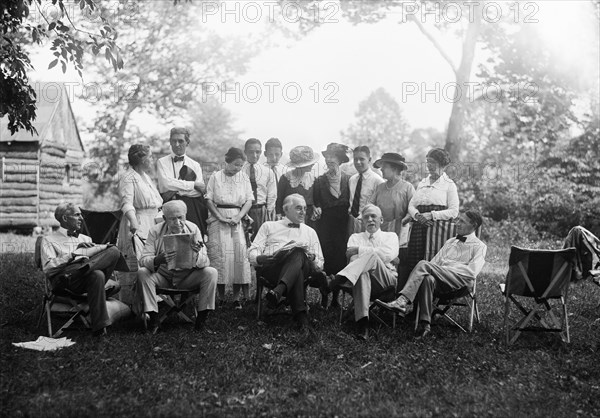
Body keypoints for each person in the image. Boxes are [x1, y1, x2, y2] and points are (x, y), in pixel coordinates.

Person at [376, 210, 486, 338]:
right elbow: (434, 263)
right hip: (440, 279)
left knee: (424, 264)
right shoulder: (450, 242)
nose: (457, 223)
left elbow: (472, 272)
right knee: (428, 278)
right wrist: (438, 271)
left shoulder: (480, 246)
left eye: (462, 221)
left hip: (461, 281)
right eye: (458, 220)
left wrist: (446, 269)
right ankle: (425, 324)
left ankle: (402, 301)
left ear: (473, 225)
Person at [40, 203, 123, 337]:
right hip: (64, 281)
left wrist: (97, 249)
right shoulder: (48, 240)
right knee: (97, 274)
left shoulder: (85, 239)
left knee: (112, 253)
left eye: (81, 215)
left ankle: (99, 329)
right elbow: (48, 269)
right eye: (77, 215)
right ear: (65, 218)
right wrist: (73, 254)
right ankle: (100, 327)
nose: (82, 219)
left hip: (83, 279)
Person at [137, 200, 218, 333]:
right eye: (172, 219)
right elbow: (143, 260)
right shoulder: (155, 231)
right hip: (163, 276)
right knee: (142, 273)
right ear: (164, 218)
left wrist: (196, 255)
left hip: (187, 278)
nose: (178, 222)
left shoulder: (193, 229)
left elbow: (206, 262)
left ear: (186, 215)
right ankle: (153, 319)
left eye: (180, 218)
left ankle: (201, 320)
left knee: (211, 272)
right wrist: (158, 259)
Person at [322, 204, 399, 340]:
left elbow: (388, 255)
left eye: (373, 216)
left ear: (381, 220)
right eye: (366, 217)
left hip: (386, 280)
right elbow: (353, 261)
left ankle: (337, 280)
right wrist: (369, 252)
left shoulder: (391, 236)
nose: (370, 220)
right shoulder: (354, 237)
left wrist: (359, 250)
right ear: (362, 221)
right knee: (363, 273)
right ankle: (363, 325)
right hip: (359, 279)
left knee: (371, 257)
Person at [248, 194, 324, 330]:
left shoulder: (310, 232)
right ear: (286, 210)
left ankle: (278, 291)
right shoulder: (269, 226)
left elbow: (320, 264)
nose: (303, 212)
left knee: (298, 252)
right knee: (297, 271)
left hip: (303, 267)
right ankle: (301, 317)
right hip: (273, 269)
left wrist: (312, 258)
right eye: (299, 208)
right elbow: (253, 251)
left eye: (305, 208)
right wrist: (260, 258)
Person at [205, 147, 253, 308]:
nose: (237, 169)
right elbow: (209, 199)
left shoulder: (243, 177)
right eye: (235, 165)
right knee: (220, 256)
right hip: (218, 218)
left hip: (236, 218)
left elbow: (249, 200)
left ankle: (236, 297)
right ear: (227, 161)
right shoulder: (216, 177)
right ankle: (220, 296)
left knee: (238, 257)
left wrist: (238, 217)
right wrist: (219, 217)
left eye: (240, 165)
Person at [403, 148, 459, 281]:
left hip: (437, 230)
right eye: (428, 162)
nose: (429, 165)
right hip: (419, 227)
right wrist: (417, 216)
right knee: (415, 261)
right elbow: (411, 205)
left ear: (443, 164)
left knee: (432, 262)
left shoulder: (449, 185)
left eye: (433, 162)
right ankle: (413, 297)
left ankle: (431, 295)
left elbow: (454, 211)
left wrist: (432, 215)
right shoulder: (423, 183)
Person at [117, 144, 163, 303]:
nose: (152, 160)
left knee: (154, 259)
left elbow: (156, 202)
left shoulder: (145, 176)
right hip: (138, 222)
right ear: (141, 159)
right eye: (149, 157)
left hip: (153, 222)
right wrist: (134, 221)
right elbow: (126, 203)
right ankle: (136, 303)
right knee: (139, 260)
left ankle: (155, 296)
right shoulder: (128, 177)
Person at [313, 143, 351, 308]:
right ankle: (324, 297)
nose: (329, 160)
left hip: (342, 225)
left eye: (332, 157)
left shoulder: (349, 179)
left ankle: (336, 298)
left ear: (340, 160)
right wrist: (316, 207)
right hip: (325, 225)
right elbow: (315, 202)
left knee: (340, 258)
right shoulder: (319, 180)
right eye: (327, 157)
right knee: (326, 258)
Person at [156, 127, 209, 237]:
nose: (176, 144)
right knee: (169, 241)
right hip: (169, 207)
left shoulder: (195, 165)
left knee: (193, 240)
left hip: (191, 208)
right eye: (173, 141)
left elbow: (199, 191)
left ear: (187, 142)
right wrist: (192, 184)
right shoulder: (162, 162)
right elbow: (166, 184)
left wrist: (175, 190)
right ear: (170, 142)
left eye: (180, 141)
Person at [369, 152, 415, 237]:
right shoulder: (380, 187)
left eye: (385, 167)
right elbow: (371, 206)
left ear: (394, 169)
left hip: (399, 231)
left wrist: (405, 220)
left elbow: (413, 209)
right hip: (380, 231)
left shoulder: (407, 187)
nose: (381, 169)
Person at [276, 145, 319, 229]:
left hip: (308, 218)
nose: (312, 165)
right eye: (309, 164)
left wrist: (316, 207)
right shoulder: (286, 178)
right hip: (290, 218)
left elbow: (315, 199)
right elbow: (279, 199)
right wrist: (279, 216)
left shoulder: (313, 179)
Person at [243, 138, 277, 240]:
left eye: (257, 152)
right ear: (245, 152)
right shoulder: (239, 171)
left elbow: (272, 195)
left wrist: (268, 215)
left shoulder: (267, 172)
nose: (254, 155)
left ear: (261, 152)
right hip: (243, 211)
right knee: (244, 240)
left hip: (261, 211)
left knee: (261, 240)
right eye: (251, 152)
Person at [348, 146, 385, 234]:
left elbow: (380, 206)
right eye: (355, 159)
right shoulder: (352, 180)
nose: (358, 162)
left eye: (362, 159)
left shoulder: (378, 181)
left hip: (368, 223)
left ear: (369, 160)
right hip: (351, 222)